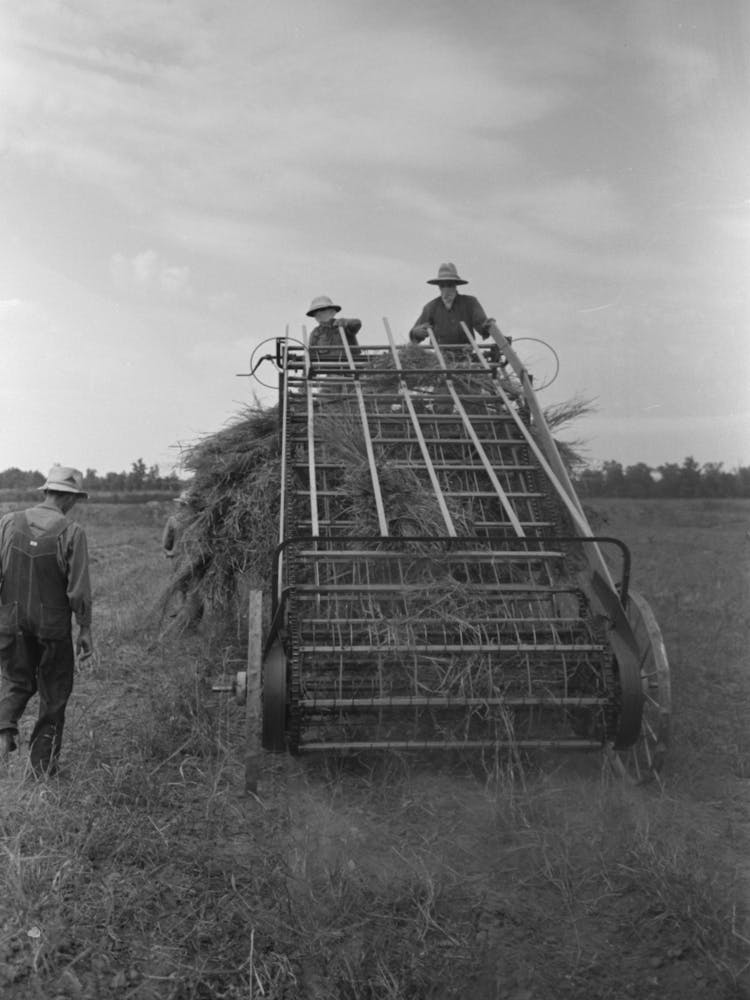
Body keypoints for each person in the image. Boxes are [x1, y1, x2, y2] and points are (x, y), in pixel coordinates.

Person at [0, 464, 93, 776]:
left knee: (16, 682)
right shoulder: (72, 532)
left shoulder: (8, 523)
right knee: (54, 695)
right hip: (52, 628)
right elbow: (78, 590)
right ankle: (41, 771)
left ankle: (3, 731)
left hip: (11, 623)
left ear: (47, 492)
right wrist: (85, 628)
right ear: (69, 499)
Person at [409, 262, 499, 347]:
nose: (446, 290)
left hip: (466, 355)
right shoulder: (431, 307)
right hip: (440, 357)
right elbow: (414, 335)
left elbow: (483, 327)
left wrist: (489, 326)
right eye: (442, 286)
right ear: (439, 287)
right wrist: (415, 333)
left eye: (449, 285)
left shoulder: (470, 303)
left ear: (455, 285)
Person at [306, 295, 362, 368]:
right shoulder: (316, 333)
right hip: (332, 372)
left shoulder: (342, 325)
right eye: (315, 312)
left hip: (352, 369)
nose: (318, 314)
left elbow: (356, 323)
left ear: (332, 312)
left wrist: (345, 322)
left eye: (322, 310)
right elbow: (311, 356)